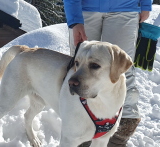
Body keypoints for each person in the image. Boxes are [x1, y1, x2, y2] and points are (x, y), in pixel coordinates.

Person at [63, 0, 152, 146]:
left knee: (122, 70)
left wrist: (146, 4)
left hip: (125, 7)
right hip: (84, 9)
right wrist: (74, 18)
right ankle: (79, 129)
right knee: (81, 69)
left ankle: (121, 133)